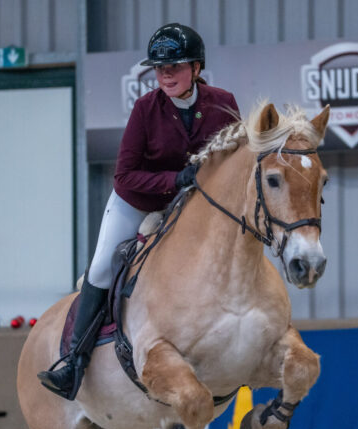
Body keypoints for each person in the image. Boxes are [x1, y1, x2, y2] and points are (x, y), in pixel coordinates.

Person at [38, 23, 239, 400]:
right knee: (100, 267)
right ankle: (74, 364)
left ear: (197, 68)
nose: (165, 75)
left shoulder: (223, 103)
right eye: (160, 68)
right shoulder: (146, 109)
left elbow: (236, 161)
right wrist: (176, 179)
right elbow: (125, 176)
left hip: (198, 205)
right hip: (139, 200)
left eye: (174, 67)